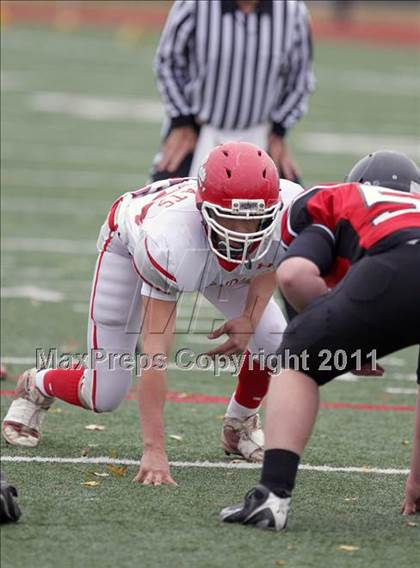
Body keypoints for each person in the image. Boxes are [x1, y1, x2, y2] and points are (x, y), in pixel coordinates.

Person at [2, 142, 303, 484]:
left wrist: (249, 317)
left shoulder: (290, 210)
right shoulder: (168, 241)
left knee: (274, 341)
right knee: (105, 393)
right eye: (231, 219)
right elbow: (155, 353)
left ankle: (239, 424)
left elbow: (269, 256)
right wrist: (154, 448)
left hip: (204, 250)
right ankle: (37, 384)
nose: (241, 234)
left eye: (253, 221)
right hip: (129, 245)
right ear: (205, 209)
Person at [220, 178, 420, 530]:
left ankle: (272, 497)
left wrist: (344, 338)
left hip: (397, 266)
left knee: (294, 362)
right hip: (397, 261)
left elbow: (294, 276)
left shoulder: (332, 200)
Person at [152, 0, 314, 184]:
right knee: (161, 201)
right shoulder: (194, 5)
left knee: (291, 205)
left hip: (261, 133)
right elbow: (168, 63)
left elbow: (300, 80)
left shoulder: (291, 11)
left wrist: (279, 130)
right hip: (198, 130)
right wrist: (181, 121)